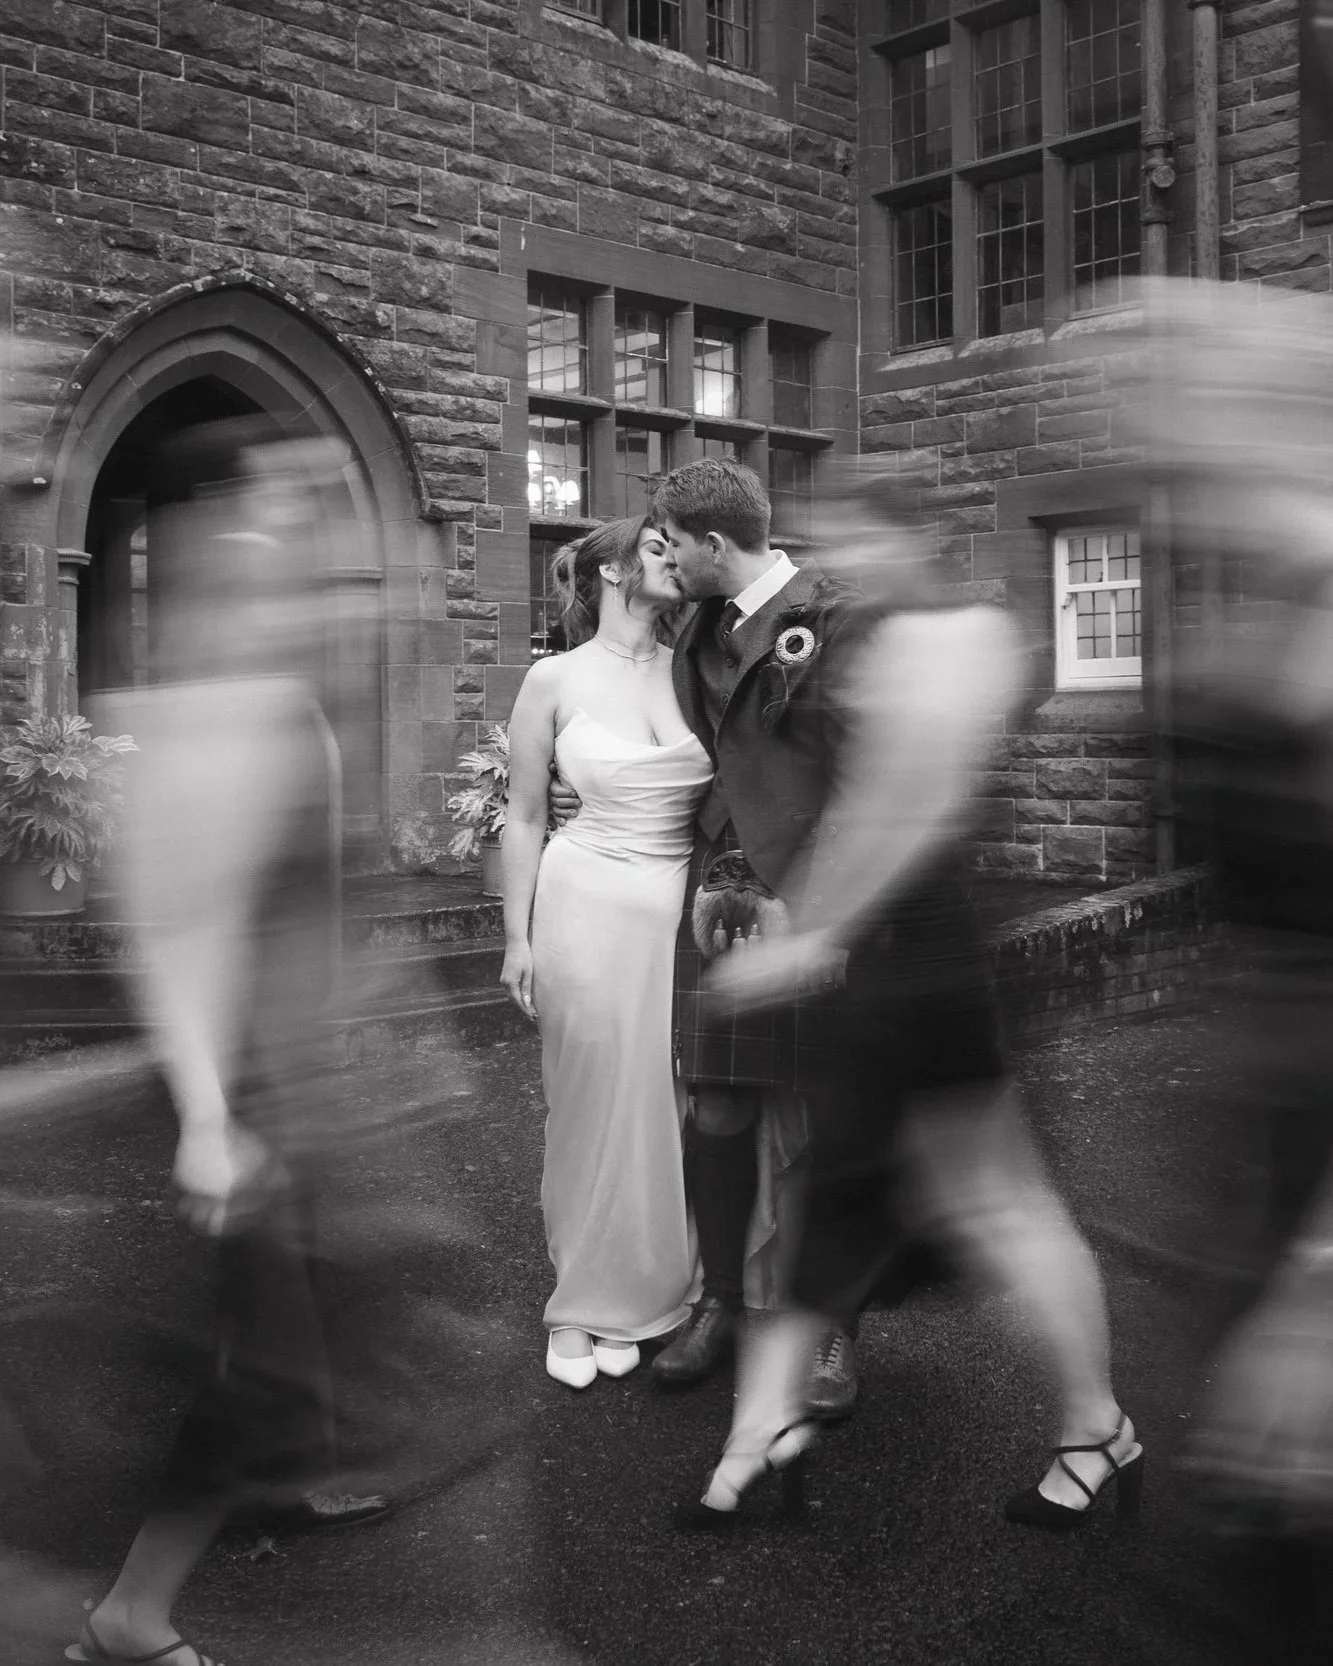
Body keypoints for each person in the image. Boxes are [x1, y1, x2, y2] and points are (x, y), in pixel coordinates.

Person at [675, 469, 1139, 1533]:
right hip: (867, 965)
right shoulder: (871, 636)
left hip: (928, 967)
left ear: (908, 540)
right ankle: (761, 1431)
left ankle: (1094, 1423)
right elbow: (840, 811)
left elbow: (901, 810)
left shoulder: (961, 637)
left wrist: (812, 936)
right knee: (830, 1203)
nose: (836, 564)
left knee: (1005, 1214)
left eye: (854, 540)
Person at [66, 426, 388, 1666]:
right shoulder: (214, 715)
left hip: (294, 1079)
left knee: (295, 1342)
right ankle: (128, 1617)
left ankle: (260, 1482)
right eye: (287, 543)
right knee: (263, 1359)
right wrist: (208, 1116)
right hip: (239, 1085)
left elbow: (311, 906)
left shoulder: (292, 705)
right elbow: (176, 929)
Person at [643, 459, 861, 1418]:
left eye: (673, 543)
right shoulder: (694, 629)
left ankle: (827, 1331)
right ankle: (721, 1303)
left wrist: (828, 908)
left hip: (815, 898)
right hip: (720, 897)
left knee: (823, 1115)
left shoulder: (835, 618)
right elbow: (724, 766)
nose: (666, 559)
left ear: (715, 544)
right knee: (719, 1108)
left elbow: (861, 780)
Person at [500, 517, 713, 1388]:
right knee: (589, 1101)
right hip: (583, 903)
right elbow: (523, 815)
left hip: (678, 918)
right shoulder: (551, 678)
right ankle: (584, 1298)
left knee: (666, 1102)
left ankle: (649, 1286)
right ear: (611, 573)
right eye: (660, 549)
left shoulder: (699, 671)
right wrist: (515, 938)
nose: (677, 558)